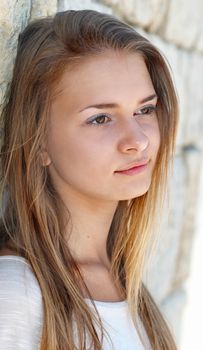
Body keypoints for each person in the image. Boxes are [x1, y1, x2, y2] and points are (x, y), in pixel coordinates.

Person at [0, 9, 178, 350]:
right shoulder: (18, 297)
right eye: (101, 118)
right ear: (38, 143)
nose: (137, 140)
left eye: (145, 109)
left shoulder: (128, 286)